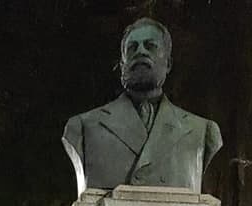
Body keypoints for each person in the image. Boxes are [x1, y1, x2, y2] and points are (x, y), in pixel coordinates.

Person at [62, 17, 222, 196]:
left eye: (150, 46)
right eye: (132, 48)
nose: (140, 52)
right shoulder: (83, 128)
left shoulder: (203, 131)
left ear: (168, 63)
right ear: (122, 65)